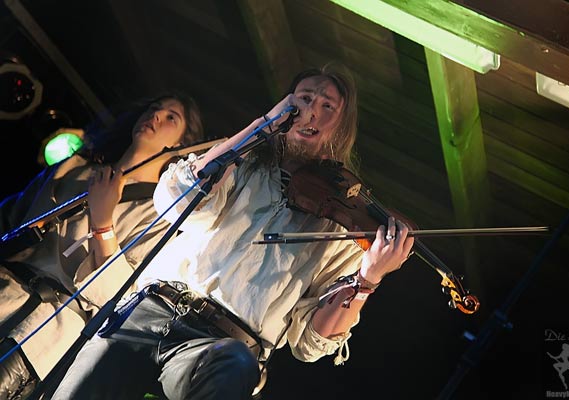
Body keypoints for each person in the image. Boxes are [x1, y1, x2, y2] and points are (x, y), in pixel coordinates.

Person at [51, 64, 415, 400]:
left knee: (237, 362)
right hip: (152, 307)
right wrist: (259, 129)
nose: (312, 112)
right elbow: (175, 199)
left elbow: (310, 342)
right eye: (304, 99)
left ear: (341, 126)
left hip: (223, 344)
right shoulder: (242, 163)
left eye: (327, 106)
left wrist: (368, 279)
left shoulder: (340, 223)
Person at [0, 92, 205, 399]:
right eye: (153, 108)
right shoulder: (74, 167)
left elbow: (118, 296)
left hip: (42, 328)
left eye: (170, 118)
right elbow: (8, 217)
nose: (156, 116)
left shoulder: (161, 215)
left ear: (180, 144)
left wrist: (103, 220)